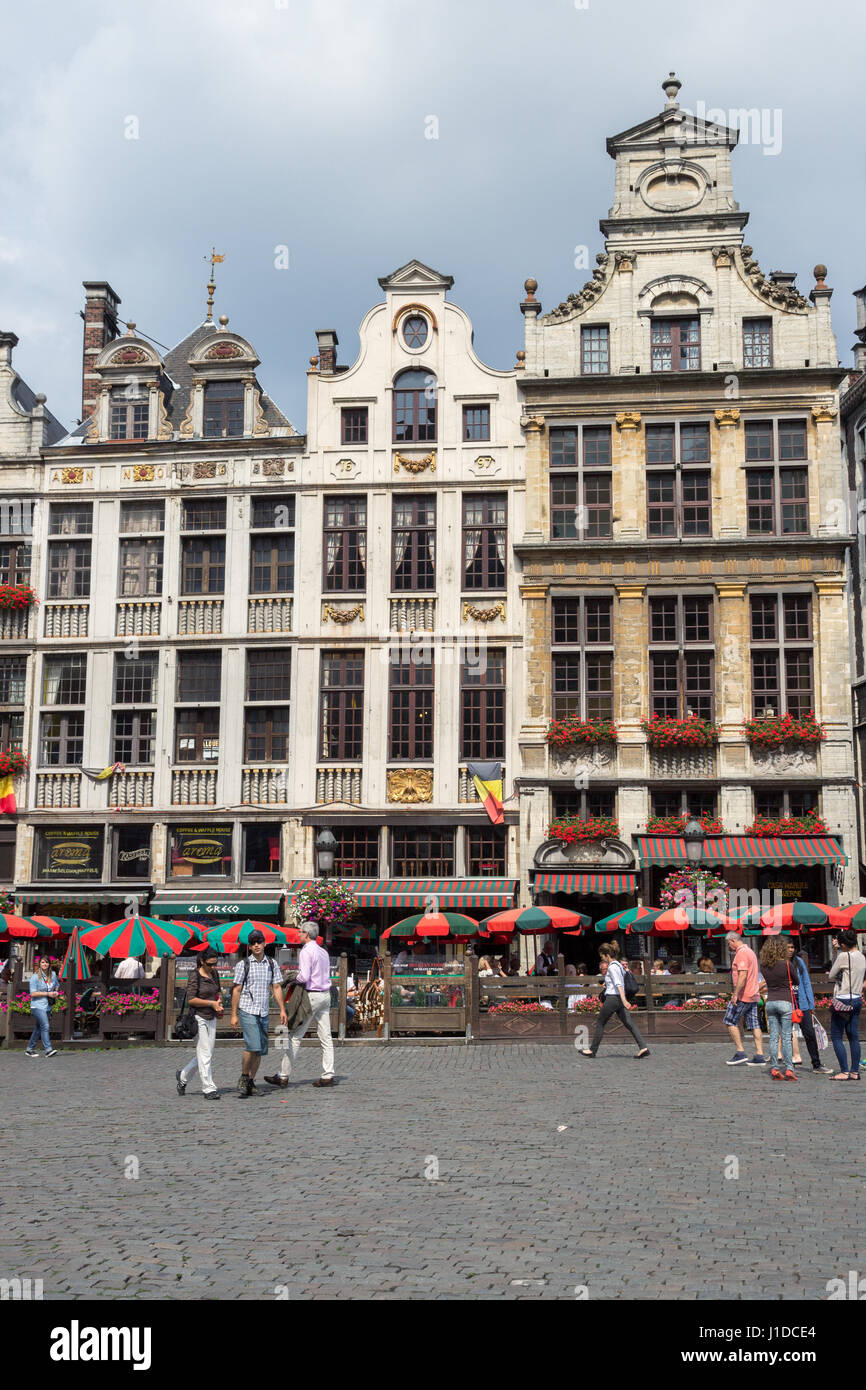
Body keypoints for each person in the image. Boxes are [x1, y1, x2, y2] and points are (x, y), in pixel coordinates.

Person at [265, 921, 335, 1089]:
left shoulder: (306, 951)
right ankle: (328, 1074)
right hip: (325, 995)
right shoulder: (323, 951)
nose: (299, 934)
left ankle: (283, 1076)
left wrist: (291, 977)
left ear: (307, 934)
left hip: (311, 996)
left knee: (295, 1036)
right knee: (326, 1037)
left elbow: (304, 977)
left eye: (300, 932)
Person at [229, 932, 286, 1098]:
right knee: (253, 1045)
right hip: (248, 1009)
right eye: (253, 942)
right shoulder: (243, 964)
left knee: (260, 1049)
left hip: (263, 1011)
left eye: (259, 942)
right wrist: (233, 1014)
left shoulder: (272, 963)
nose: (256, 945)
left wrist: (282, 1009)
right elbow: (237, 989)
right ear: (249, 946)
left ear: (264, 943)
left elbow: (276, 987)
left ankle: (250, 1082)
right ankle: (243, 1077)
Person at [579, 941, 649, 1059]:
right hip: (618, 998)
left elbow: (619, 984)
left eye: (602, 956)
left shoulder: (612, 967)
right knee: (629, 1023)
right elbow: (618, 982)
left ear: (607, 955)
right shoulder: (619, 965)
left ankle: (592, 1050)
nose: (602, 958)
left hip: (613, 998)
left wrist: (624, 1000)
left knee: (600, 1022)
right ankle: (643, 1047)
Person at [176, 944, 223, 1099]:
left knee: (206, 1053)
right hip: (198, 1017)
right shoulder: (194, 976)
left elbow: (218, 992)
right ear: (202, 961)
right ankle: (208, 1088)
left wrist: (219, 1002)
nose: (213, 967)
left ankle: (183, 1076)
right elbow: (191, 1000)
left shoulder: (214, 974)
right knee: (205, 1053)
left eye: (215, 964)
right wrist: (210, 1003)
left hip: (212, 1016)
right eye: (210, 964)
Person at [721, 932, 766, 1066]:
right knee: (754, 1024)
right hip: (753, 994)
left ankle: (740, 1052)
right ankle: (759, 1055)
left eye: (729, 943)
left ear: (733, 940)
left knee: (729, 1020)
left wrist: (735, 994)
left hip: (744, 995)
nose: (729, 946)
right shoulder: (751, 952)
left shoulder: (741, 953)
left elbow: (742, 975)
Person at [827, 928, 865, 1080]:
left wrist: (836, 951)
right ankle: (854, 1071)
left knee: (836, 1036)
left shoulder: (844, 956)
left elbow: (831, 974)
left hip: (843, 999)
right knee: (853, 1036)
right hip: (857, 998)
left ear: (843, 944)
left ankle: (844, 1071)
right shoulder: (861, 956)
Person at [759, 936, 797, 1080]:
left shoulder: (764, 965)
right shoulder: (786, 964)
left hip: (771, 1001)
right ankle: (789, 1069)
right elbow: (796, 981)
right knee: (786, 1037)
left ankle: (775, 1068)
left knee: (773, 1037)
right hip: (785, 1001)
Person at [25, 954, 61, 1058]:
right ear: (39, 964)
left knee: (38, 1028)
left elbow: (57, 985)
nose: (45, 964)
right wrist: (47, 994)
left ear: (49, 964)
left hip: (48, 1005)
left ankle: (29, 1049)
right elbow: (32, 993)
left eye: (46, 962)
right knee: (45, 1026)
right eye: (43, 962)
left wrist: (55, 992)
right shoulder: (35, 977)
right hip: (37, 1006)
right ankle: (48, 1050)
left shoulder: (53, 975)